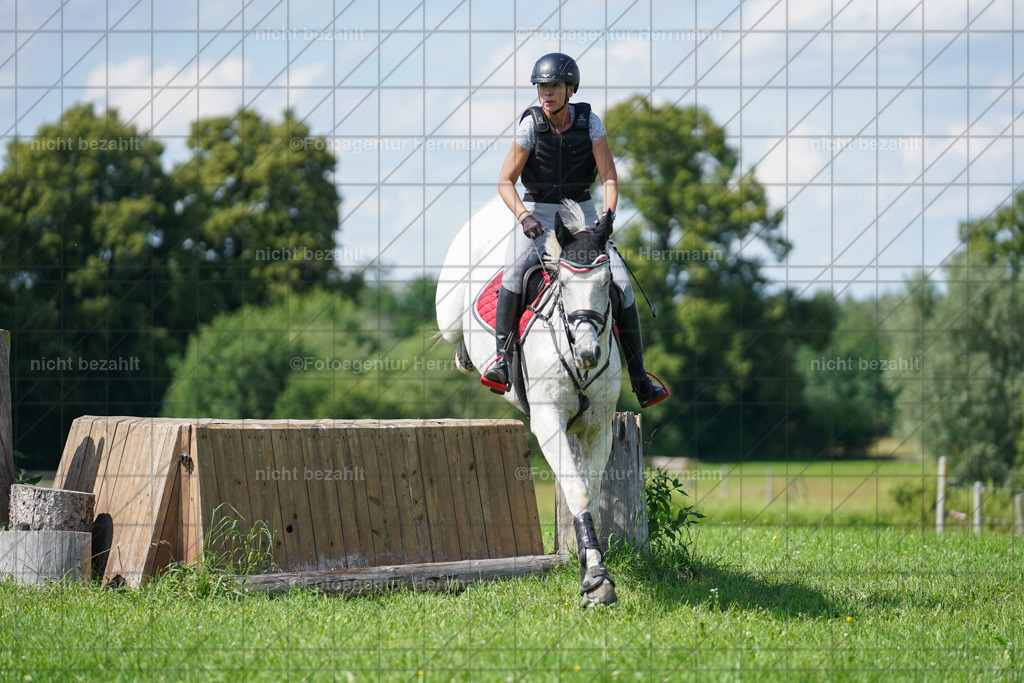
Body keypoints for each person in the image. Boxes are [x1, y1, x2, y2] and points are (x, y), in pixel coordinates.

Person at [484, 52, 668, 408]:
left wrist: (607, 215)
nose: (546, 93)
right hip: (538, 208)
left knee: (621, 283)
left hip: (581, 210)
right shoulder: (530, 126)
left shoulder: (590, 123)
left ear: (571, 89)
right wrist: (524, 217)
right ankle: (501, 362)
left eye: (553, 86)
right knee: (513, 276)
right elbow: (505, 182)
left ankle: (640, 377)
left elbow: (609, 176)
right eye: (541, 86)